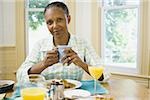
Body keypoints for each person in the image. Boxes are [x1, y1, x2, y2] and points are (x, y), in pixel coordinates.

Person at [17, 1, 109, 84]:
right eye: (50, 22)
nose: (55, 26)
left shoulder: (82, 43)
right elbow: (20, 75)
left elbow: (105, 75)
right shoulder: (40, 45)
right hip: (48, 94)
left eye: (59, 20)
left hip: (75, 95)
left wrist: (81, 63)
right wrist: (43, 64)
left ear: (68, 19)